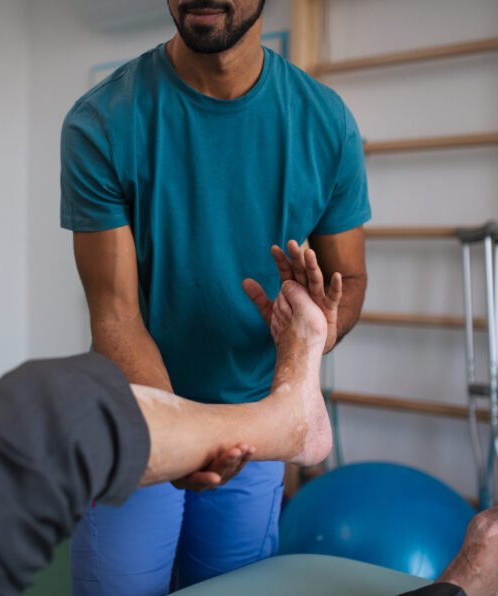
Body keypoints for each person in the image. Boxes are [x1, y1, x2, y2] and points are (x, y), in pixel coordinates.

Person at [0, 284, 493, 596]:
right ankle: (282, 419)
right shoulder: (111, 117)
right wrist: (461, 583)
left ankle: (282, 418)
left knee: (58, 401)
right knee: (57, 407)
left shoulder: (313, 120)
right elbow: (112, 307)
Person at [60, 0, 371, 591]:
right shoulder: (103, 119)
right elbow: (116, 315)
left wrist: (313, 331)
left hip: (254, 426)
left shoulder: (325, 121)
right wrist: (184, 440)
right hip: (139, 417)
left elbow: (347, 281)